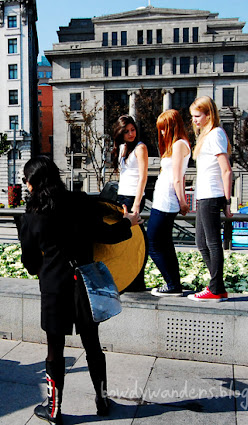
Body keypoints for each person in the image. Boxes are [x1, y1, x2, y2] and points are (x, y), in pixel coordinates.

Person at [19, 156, 141, 423]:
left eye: (26, 179)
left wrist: (42, 268)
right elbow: (106, 235)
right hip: (84, 282)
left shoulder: (31, 215)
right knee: (92, 344)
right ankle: (102, 400)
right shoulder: (81, 201)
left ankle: (54, 410)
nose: (26, 184)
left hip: (54, 287)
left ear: (34, 182)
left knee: (55, 349)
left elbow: (30, 261)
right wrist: (128, 222)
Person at [188, 96, 233, 302]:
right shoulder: (206, 136)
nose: (194, 120)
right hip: (204, 195)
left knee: (212, 243)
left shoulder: (215, 134)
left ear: (209, 115)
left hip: (212, 195)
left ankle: (215, 288)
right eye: (193, 116)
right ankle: (217, 286)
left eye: (198, 116)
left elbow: (227, 170)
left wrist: (227, 202)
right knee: (201, 242)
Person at [149, 110, 191, 297]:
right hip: (164, 200)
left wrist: (182, 201)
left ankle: (172, 284)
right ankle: (174, 284)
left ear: (173, 126)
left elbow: (178, 177)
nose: (162, 132)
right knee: (165, 244)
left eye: (164, 128)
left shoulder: (179, 144)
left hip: (166, 201)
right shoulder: (178, 144)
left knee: (153, 244)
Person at [112, 114, 148, 292]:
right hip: (122, 196)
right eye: (126, 131)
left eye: (133, 130)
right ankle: (128, 279)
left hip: (134, 197)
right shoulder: (122, 148)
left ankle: (138, 281)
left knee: (138, 241)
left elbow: (143, 177)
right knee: (126, 240)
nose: (131, 134)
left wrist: (137, 204)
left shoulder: (140, 148)